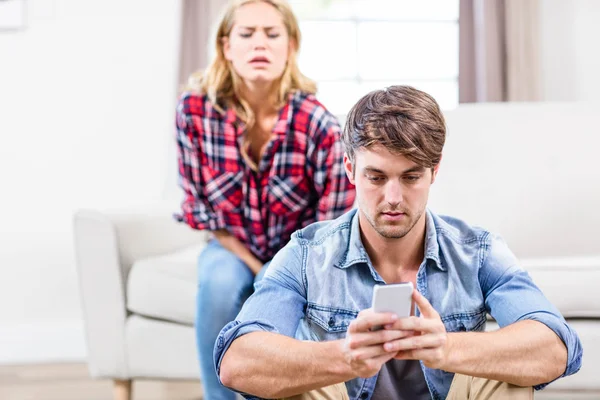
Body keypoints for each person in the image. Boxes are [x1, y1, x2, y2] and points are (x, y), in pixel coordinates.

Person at [214, 85, 583, 400]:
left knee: (506, 375)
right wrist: (347, 357)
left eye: (410, 177)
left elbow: (557, 347)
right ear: (350, 170)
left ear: (434, 171)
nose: (393, 197)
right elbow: (237, 361)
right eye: (376, 177)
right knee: (290, 376)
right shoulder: (307, 253)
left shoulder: (478, 251)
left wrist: (446, 349)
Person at [174, 1, 356, 399]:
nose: (260, 43)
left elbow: (332, 226)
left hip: (297, 252)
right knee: (221, 282)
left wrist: (276, 271)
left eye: (272, 34)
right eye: (247, 33)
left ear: (290, 46)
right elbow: (202, 209)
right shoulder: (194, 112)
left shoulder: (320, 126)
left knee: (275, 292)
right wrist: (257, 266)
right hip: (230, 245)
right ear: (226, 46)